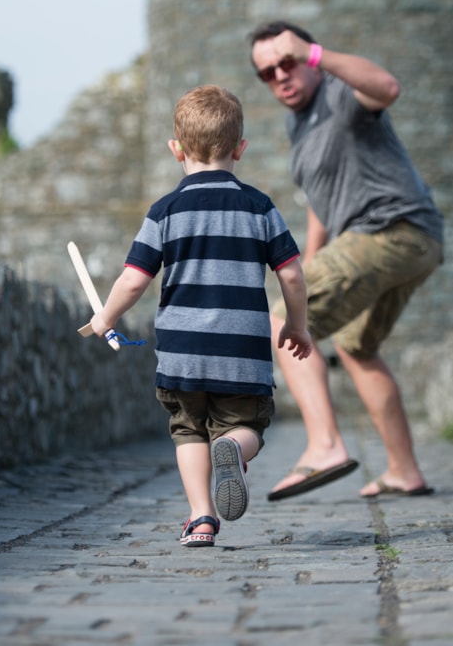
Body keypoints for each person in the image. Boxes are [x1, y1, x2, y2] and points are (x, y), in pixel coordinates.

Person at [86, 84, 313, 547]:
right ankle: (235, 448)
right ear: (240, 148)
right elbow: (291, 274)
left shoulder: (165, 211)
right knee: (245, 425)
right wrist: (297, 324)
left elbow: (134, 280)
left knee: (188, 430)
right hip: (241, 353)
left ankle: (201, 518)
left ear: (176, 150)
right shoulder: (260, 208)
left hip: (182, 354)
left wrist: (106, 317)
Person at [248, 21, 445, 501]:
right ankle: (404, 471)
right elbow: (323, 199)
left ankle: (325, 445)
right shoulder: (300, 122)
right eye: (268, 73)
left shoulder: (340, 92)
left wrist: (316, 54)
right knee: (357, 347)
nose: (280, 77)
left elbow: (388, 87)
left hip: (388, 230)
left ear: (307, 58)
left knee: (285, 322)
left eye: (287, 63)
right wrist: (309, 264)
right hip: (412, 240)